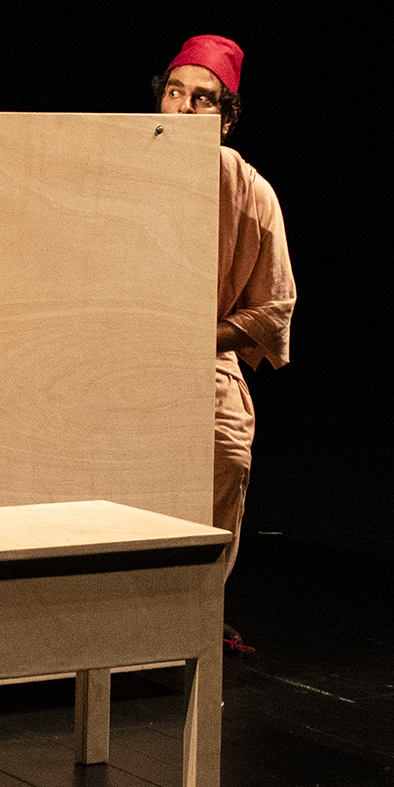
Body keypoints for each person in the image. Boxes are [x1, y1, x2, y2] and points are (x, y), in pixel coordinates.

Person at [155, 35, 295, 648]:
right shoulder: (115, 169)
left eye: (202, 99)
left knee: (228, 455)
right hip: (111, 357)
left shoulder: (250, 192)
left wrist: (198, 335)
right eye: (174, 91)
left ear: (227, 119)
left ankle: (195, 611)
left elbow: (274, 306)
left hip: (204, 360)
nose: (183, 108)